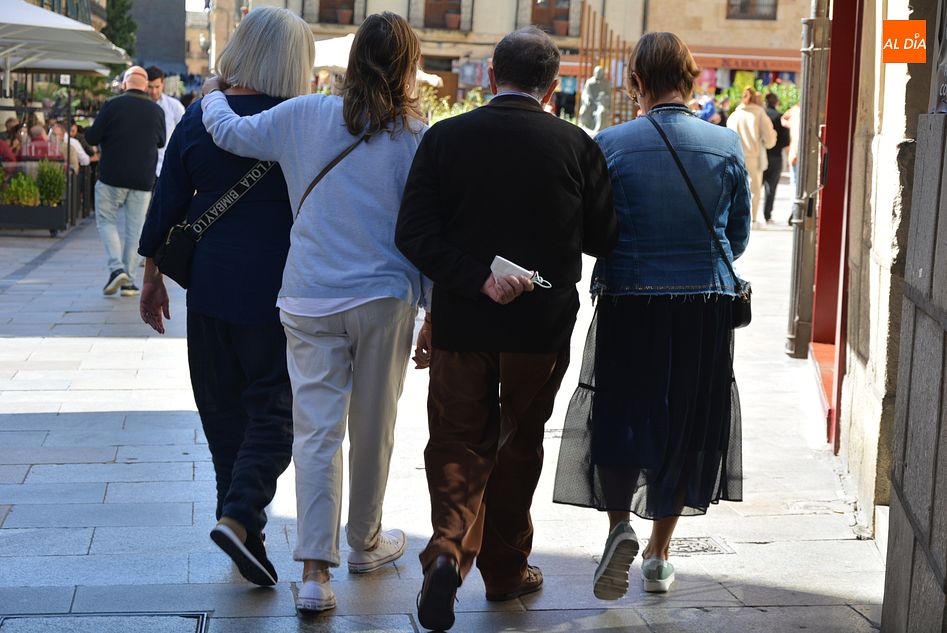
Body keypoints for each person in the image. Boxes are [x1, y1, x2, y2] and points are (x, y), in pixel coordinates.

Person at [201, 11, 429, 614]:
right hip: (384, 297)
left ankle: (313, 574)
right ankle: (365, 543)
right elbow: (424, 228)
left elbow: (228, 131)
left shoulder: (304, 115)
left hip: (307, 296)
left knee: (317, 433)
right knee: (374, 427)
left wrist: (213, 91)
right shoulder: (413, 133)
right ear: (407, 67)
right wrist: (433, 310)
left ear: (352, 62)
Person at [396, 26, 618, 632]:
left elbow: (413, 234)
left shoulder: (446, 138)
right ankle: (504, 570)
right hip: (539, 326)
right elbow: (603, 239)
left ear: (492, 77)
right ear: (551, 88)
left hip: (465, 320)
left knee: (457, 440)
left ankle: (446, 551)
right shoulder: (576, 145)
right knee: (519, 441)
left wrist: (476, 277)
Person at [552, 31, 749, 601]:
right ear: (690, 80)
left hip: (630, 300)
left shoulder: (609, 143)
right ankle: (660, 555)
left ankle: (619, 527)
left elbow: (594, 234)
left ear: (635, 81)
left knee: (621, 412)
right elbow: (734, 238)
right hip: (703, 307)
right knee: (687, 420)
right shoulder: (725, 144)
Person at [138, 6, 304, 590]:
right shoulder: (296, 120)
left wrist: (152, 275)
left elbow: (167, 201)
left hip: (206, 289)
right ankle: (240, 517)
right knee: (275, 411)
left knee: (222, 411)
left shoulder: (200, 118)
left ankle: (241, 528)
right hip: (276, 291)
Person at [85, 65, 165, 296]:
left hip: (112, 176)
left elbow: (92, 136)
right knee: (135, 229)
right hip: (143, 179)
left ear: (124, 84)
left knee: (106, 220)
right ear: (146, 86)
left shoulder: (112, 105)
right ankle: (128, 281)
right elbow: (161, 141)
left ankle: (117, 269)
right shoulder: (156, 110)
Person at [727, 87, 775, 228]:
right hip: (753, 156)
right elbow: (770, 139)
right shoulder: (760, 114)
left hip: (734, 156)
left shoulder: (734, 115)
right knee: (753, 189)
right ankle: (751, 220)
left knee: (734, 189)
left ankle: (734, 220)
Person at [146, 66, 186, 177]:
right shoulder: (139, 106)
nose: (154, 91)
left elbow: (184, 135)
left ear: (163, 84)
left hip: (166, 167)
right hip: (142, 168)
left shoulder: (175, 106)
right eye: (150, 87)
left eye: (157, 87)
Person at [762, 93, 790, 224]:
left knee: (753, 187)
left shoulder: (760, 115)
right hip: (775, 156)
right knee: (771, 187)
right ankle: (767, 215)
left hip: (760, 154)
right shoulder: (778, 117)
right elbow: (785, 141)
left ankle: (751, 214)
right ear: (776, 102)